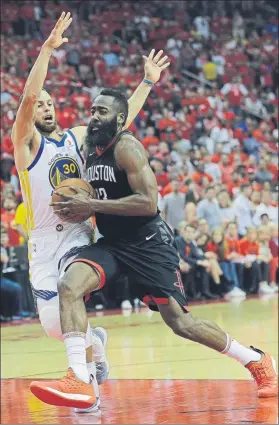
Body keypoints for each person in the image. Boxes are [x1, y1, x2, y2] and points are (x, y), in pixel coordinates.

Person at [30, 88, 278, 408]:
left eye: (102, 112)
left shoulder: (127, 147)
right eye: (92, 111)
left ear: (119, 120)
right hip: (114, 244)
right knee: (69, 284)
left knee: (181, 323)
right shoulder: (88, 149)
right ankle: (79, 377)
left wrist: (90, 203)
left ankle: (256, 360)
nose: (93, 117)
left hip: (149, 244)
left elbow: (148, 203)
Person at [12, 12, 171, 411]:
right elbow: (28, 98)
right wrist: (47, 50)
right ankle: (95, 345)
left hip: (78, 234)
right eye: (40, 104)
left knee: (72, 288)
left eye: (51, 102)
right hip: (43, 242)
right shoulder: (26, 146)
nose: (45, 107)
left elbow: (122, 119)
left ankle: (82, 388)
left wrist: (147, 83)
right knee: (53, 325)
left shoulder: (79, 139)